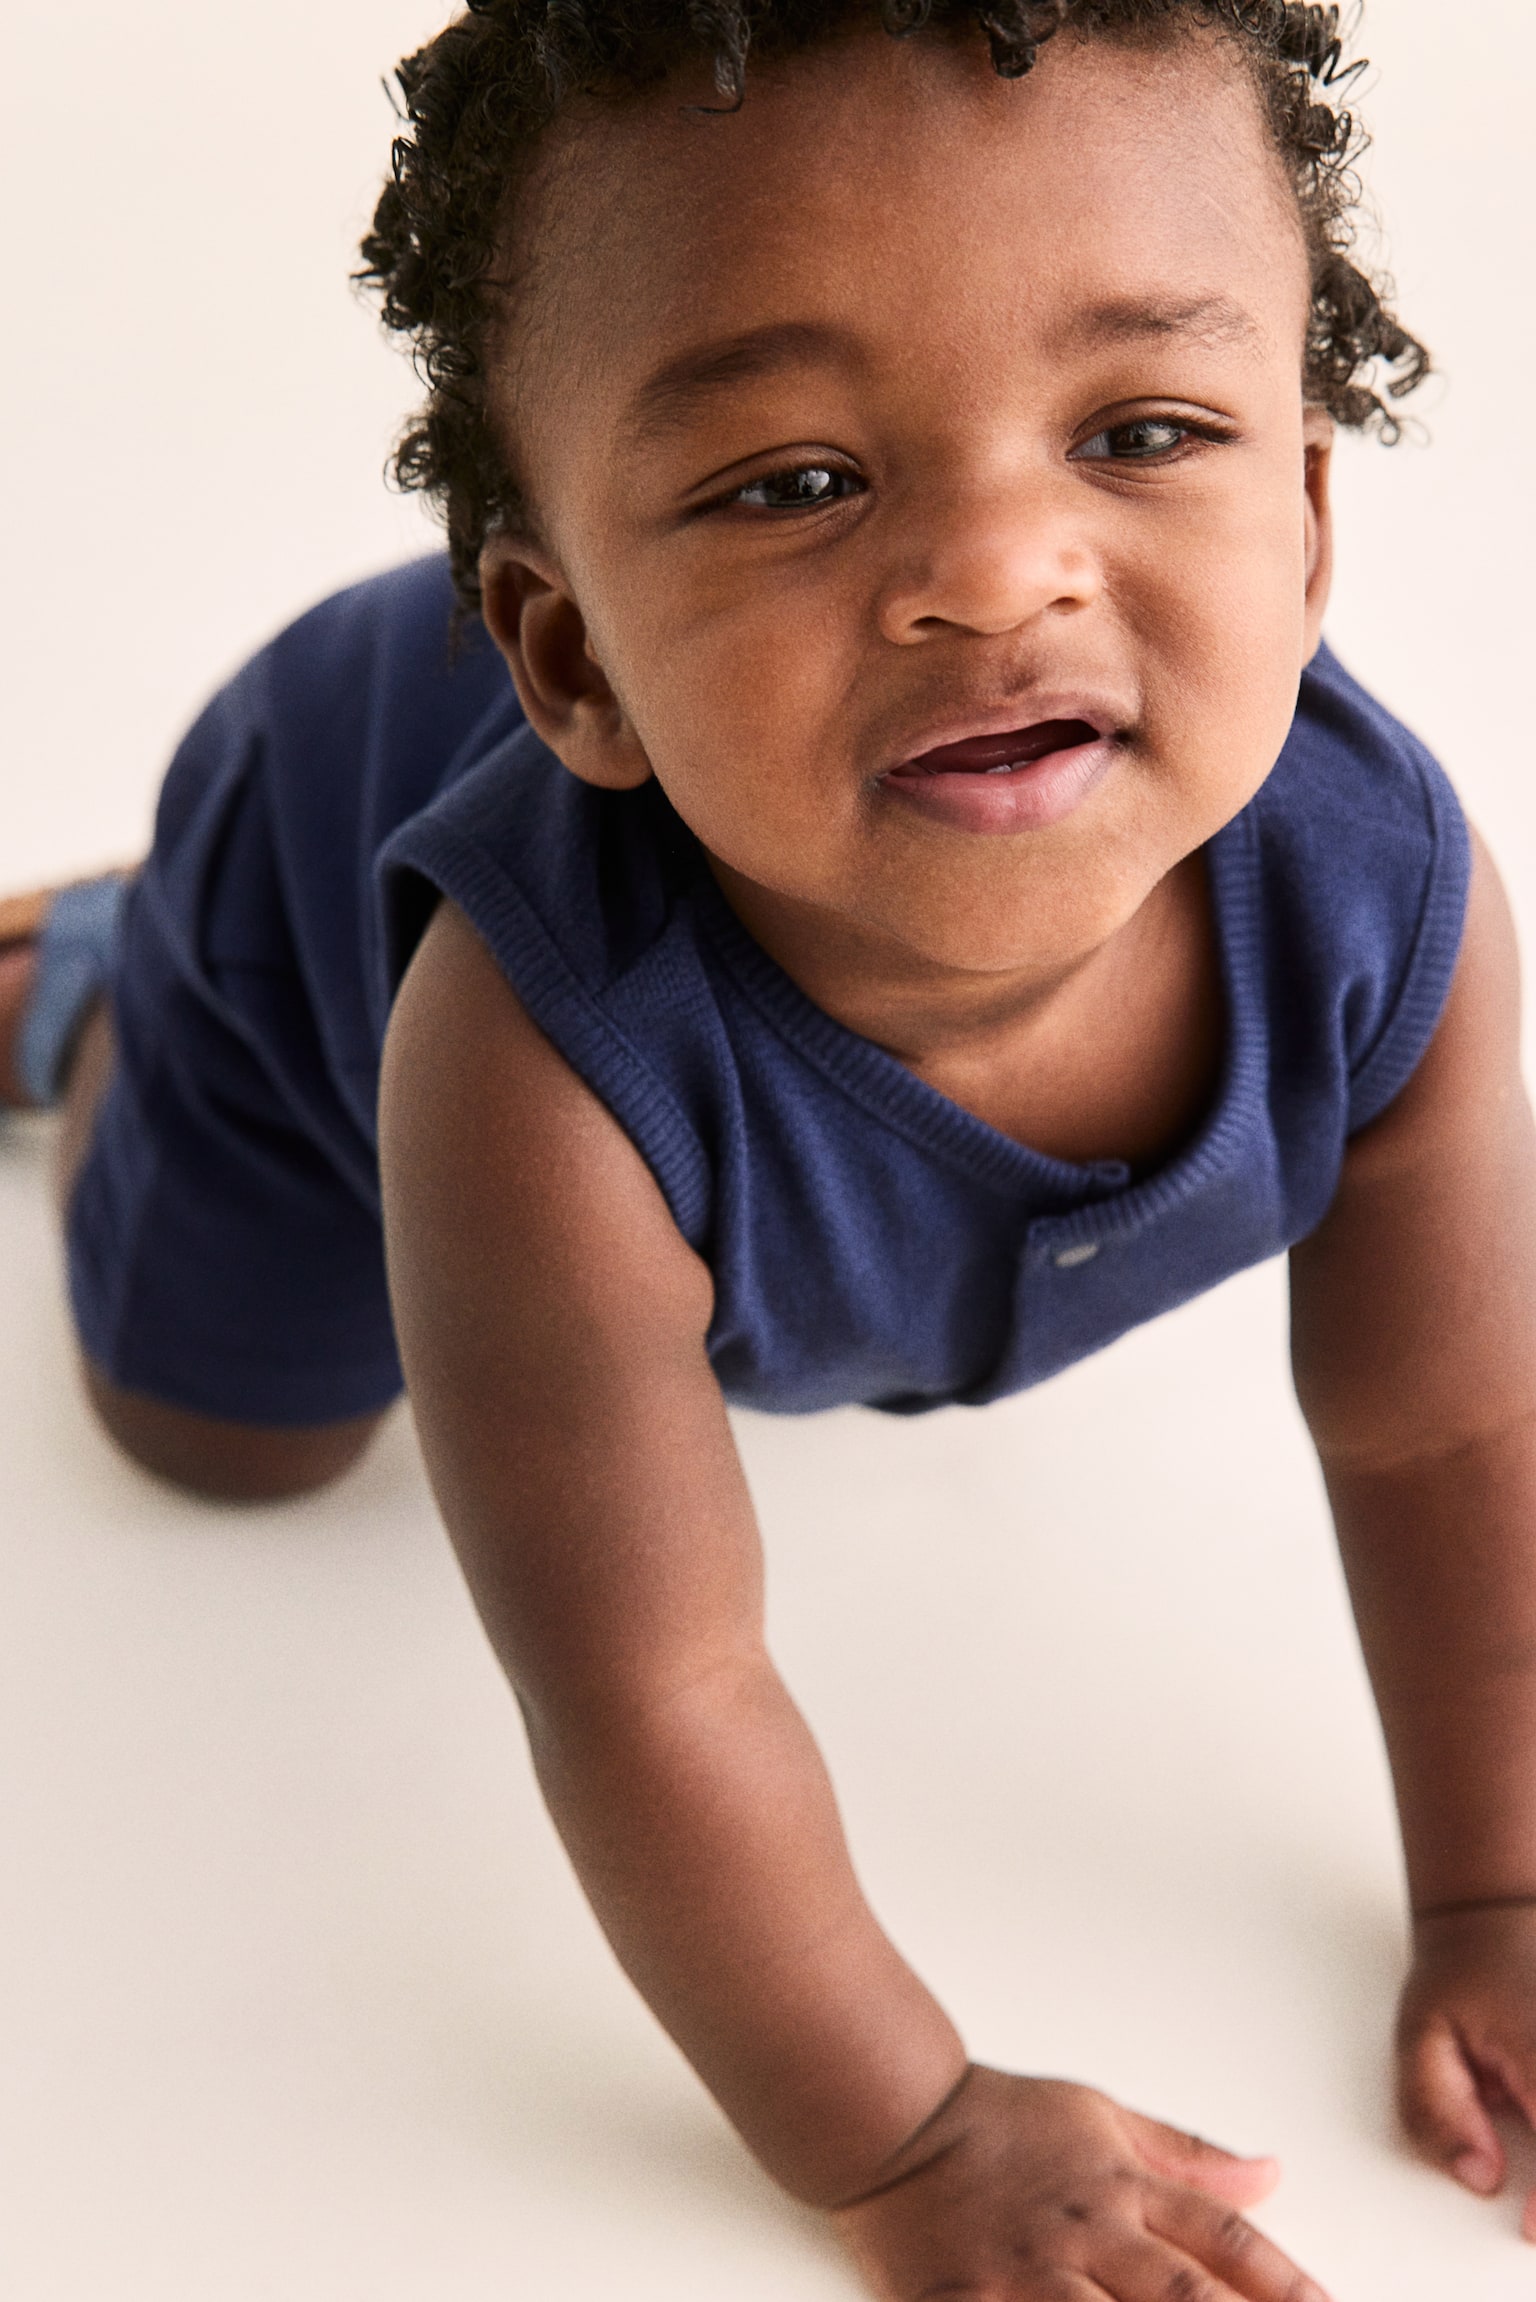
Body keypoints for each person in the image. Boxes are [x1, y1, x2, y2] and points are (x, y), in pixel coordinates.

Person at [6, 1, 1536, 2293]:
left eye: (1142, 425)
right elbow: (652, 1684)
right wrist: (903, 2130)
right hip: (305, 917)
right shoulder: (527, 1066)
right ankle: (100, 975)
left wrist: (1501, 1886)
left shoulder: (1381, 897)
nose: (999, 570)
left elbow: (1447, 1421)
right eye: (797, 481)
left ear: (1309, 516)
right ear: (572, 655)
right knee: (219, 1444)